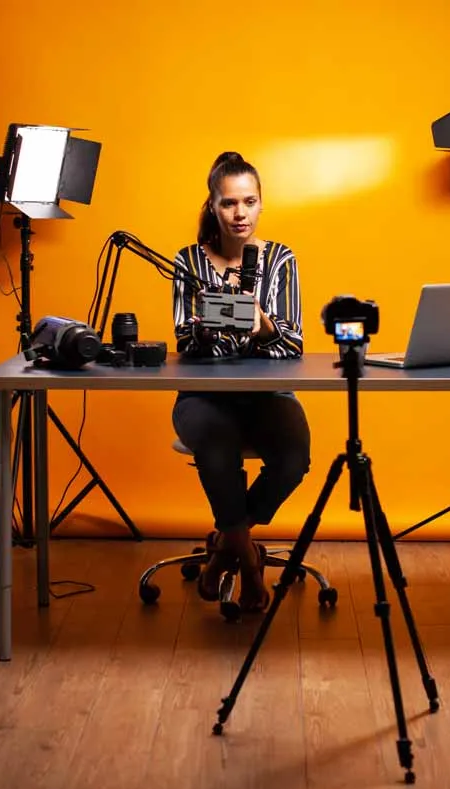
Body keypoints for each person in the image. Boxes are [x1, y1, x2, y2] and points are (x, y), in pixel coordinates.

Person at [171, 151, 311, 612]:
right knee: (216, 447)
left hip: (267, 394)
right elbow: (185, 342)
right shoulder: (187, 260)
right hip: (205, 395)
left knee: (294, 457)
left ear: (261, 205)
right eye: (229, 203)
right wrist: (206, 330)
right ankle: (249, 565)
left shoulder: (281, 259)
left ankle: (230, 545)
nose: (239, 213)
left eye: (249, 202)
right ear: (213, 205)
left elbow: (292, 344)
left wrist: (262, 324)